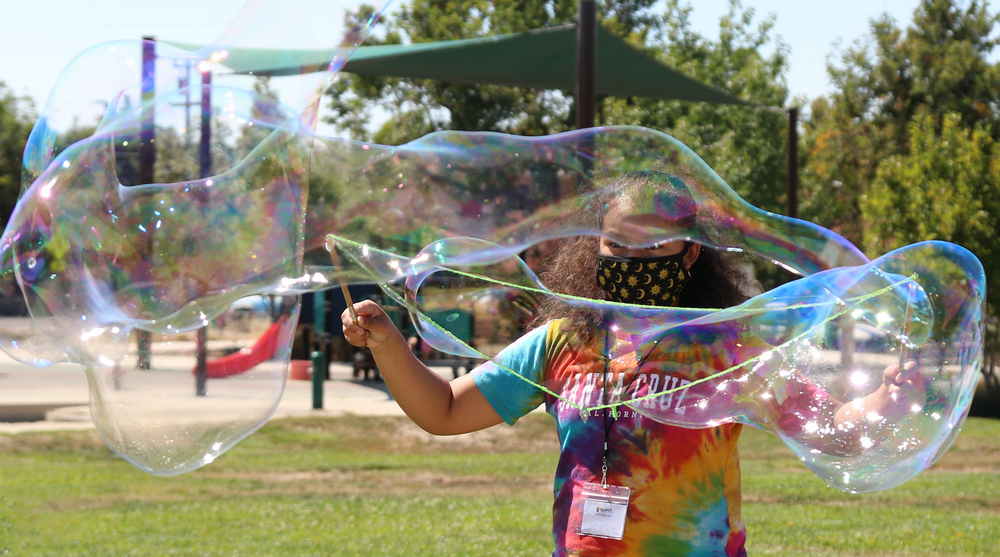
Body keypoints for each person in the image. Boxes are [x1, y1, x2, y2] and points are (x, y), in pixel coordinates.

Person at [341, 171, 924, 557]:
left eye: (652, 249)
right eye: (616, 246)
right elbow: (443, 411)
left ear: (690, 254)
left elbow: (834, 431)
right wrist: (386, 341)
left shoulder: (727, 348)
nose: (631, 260)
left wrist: (884, 402)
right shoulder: (561, 342)